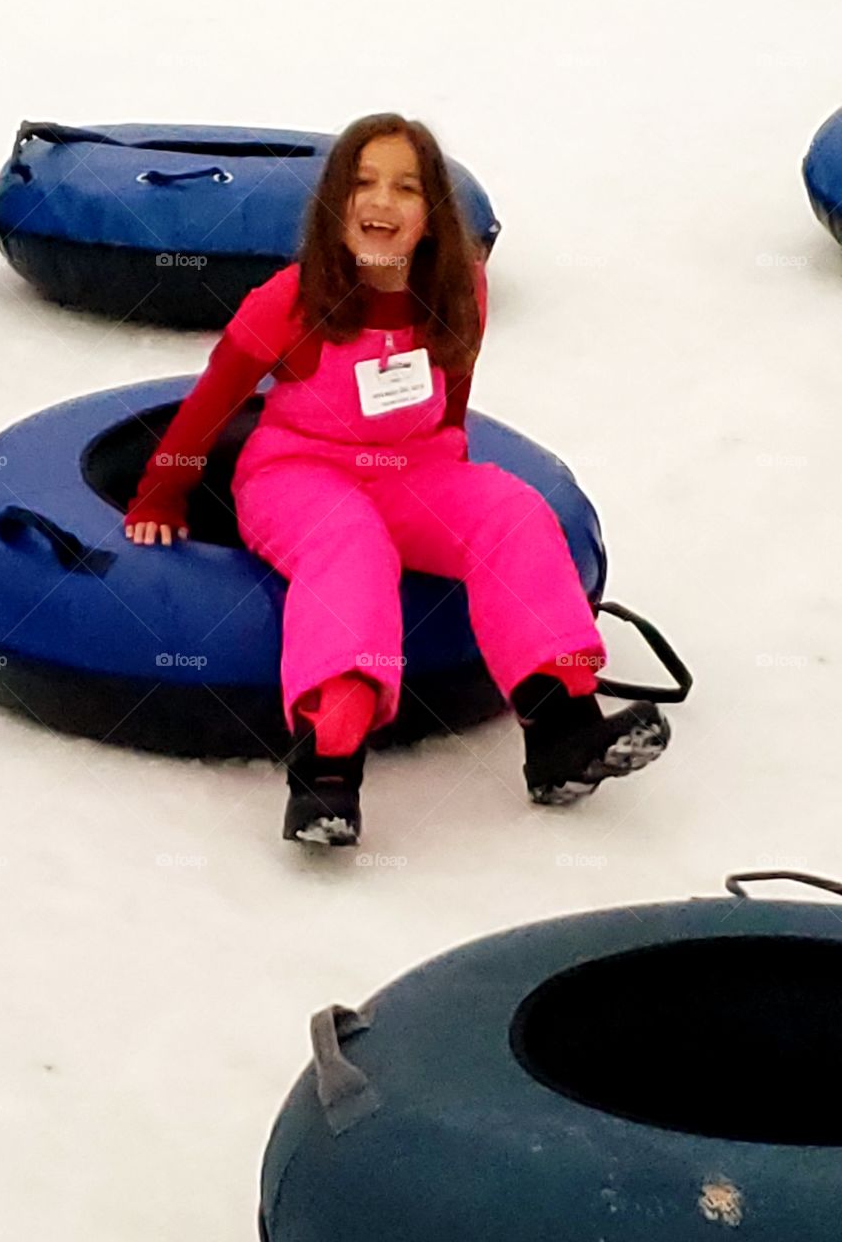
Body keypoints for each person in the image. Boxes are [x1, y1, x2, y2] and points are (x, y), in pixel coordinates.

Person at [125, 113, 670, 847]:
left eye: (406, 188)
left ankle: (561, 728)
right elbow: (212, 403)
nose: (382, 202)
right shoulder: (291, 300)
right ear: (336, 204)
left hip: (415, 466)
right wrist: (161, 492)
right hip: (298, 473)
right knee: (350, 544)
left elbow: (455, 383)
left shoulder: (460, 287)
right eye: (364, 183)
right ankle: (326, 769)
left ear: (432, 215)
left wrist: (456, 483)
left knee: (512, 512)